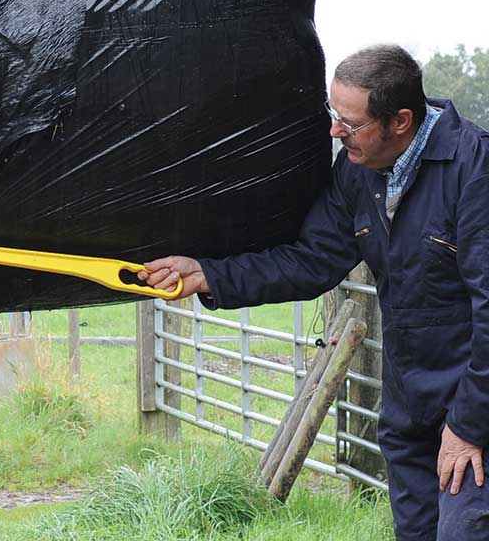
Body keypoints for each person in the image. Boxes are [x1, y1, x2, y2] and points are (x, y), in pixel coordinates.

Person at [139, 44, 489, 540]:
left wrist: (471, 424)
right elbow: (311, 261)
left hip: (474, 411)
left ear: (401, 121)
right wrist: (209, 275)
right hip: (409, 409)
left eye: (350, 123)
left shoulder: (473, 170)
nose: (335, 131)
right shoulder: (357, 172)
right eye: (334, 115)